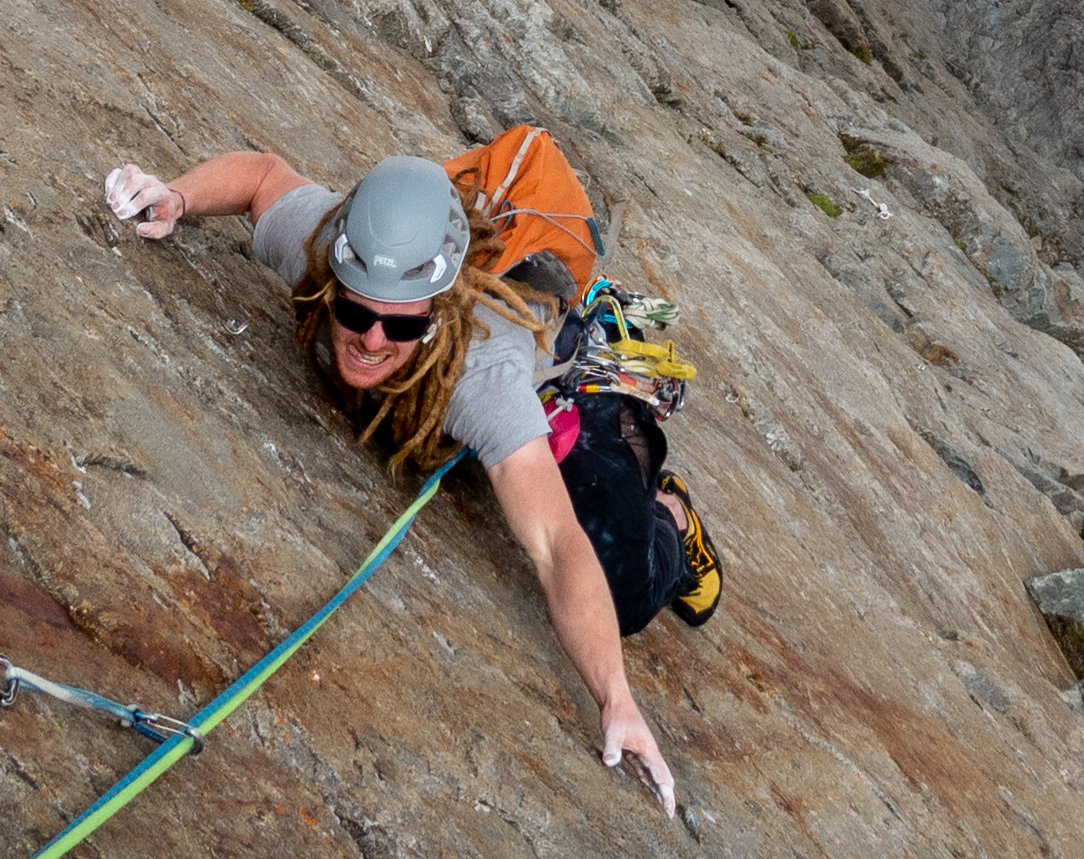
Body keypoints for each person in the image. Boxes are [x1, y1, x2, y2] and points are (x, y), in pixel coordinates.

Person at [106, 144, 713, 817]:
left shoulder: (481, 378)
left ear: (438, 310)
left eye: (400, 323)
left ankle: (673, 517)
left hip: (563, 384)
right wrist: (179, 197)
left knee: (623, 586)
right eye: (355, 314)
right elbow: (263, 179)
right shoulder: (324, 250)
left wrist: (616, 699)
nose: (371, 340)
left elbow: (556, 544)